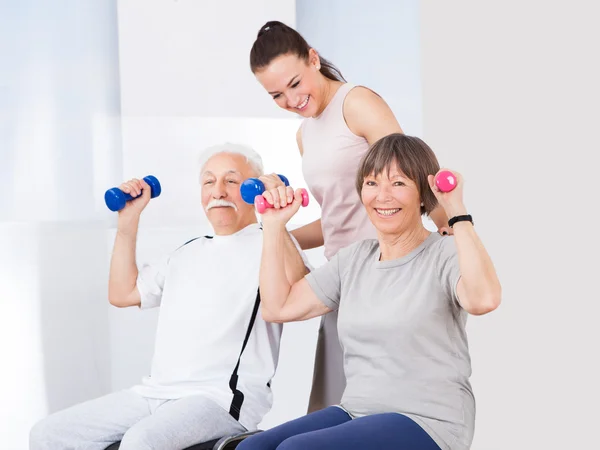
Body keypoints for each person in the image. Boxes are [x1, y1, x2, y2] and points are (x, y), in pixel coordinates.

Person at [29, 144, 309, 450]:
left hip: (217, 398)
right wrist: (128, 221)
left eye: (232, 181)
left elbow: (299, 291)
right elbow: (123, 294)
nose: (218, 191)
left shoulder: (269, 241)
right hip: (155, 393)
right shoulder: (186, 252)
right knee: (48, 434)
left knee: (140, 442)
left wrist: (275, 222)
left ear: (254, 190)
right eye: (208, 181)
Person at [238, 133, 501, 450]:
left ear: (423, 194)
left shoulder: (444, 252)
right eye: (372, 183)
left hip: (429, 420)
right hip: (357, 411)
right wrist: (273, 225)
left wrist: (456, 212)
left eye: (399, 183)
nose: (383, 196)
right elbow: (277, 308)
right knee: (251, 448)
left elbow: (484, 299)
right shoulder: (354, 259)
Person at [250, 21, 453, 412]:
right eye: (276, 94)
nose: (291, 100)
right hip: (342, 279)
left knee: (385, 410)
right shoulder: (305, 134)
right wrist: (276, 232)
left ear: (313, 58)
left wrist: (451, 225)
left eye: (295, 84)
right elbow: (335, 219)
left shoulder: (356, 103)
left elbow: (411, 174)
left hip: (388, 273)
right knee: (335, 409)